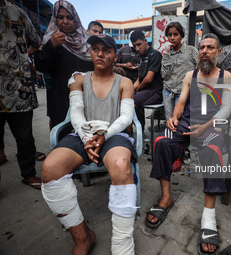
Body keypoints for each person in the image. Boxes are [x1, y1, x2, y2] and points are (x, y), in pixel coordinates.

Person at [41, 34, 137, 255]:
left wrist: (103, 135)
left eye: (106, 50)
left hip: (114, 133)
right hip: (83, 133)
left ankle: (122, 246)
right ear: (90, 52)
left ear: (115, 55)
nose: (100, 54)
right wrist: (87, 138)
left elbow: (125, 118)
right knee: (50, 168)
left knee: (122, 165)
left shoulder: (125, 82)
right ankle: (83, 237)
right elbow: (75, 113)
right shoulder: (78, 79)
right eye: (95, 49)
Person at [146, 33, 231, 255]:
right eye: (202, 47)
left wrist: (205, 128)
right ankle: (166, 197)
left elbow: (226, 109)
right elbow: (181, 101)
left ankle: (209, 215)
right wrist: (174, 117)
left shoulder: (227, 76)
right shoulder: (190, 75)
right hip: (186, 123)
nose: (205, 51)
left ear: (218, 52)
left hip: (211, 126)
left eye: (210, 48)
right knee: (161, 141)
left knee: (214, 149)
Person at [0, 0, 42, 188]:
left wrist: (21, 55)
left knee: (25, 138)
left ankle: (29, 174)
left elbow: (36, 42)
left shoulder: (17, 12)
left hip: (19, 88)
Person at [35, 0, 94, 129]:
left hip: (87, 97)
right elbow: (41, 66)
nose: (65, 21)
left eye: (69, 17)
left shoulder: (87, 42)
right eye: (60, 17)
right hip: (61, 97)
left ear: (76, 19)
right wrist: (52, 47)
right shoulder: (51, 40)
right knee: (63, 132)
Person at [161, 22, 198, 120]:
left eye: (175, 34)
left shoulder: (190, 50)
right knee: (169, 121)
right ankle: (169, 136)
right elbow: (164, 75)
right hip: (168, 91)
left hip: (183, 92)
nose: (172, 38)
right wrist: (166, 54)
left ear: (181, 36)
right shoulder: (167, 54)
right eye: (170, 35)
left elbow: (200, 68)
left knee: (179, 120)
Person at [130, 30, 163, 132]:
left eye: (139, 45)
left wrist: (137, 89)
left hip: (155, 93)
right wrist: (130, 91)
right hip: (144, 92)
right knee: (127, 98)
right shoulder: (141, 56)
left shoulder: (155, 54)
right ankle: (141, 131)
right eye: (135, 46)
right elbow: (139, 78)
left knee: (132, 101)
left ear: (145, 40)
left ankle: (132, 131)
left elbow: (148, 79)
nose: (137, 48)